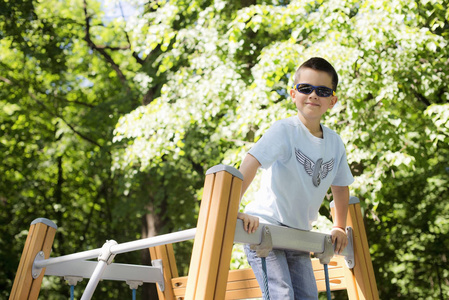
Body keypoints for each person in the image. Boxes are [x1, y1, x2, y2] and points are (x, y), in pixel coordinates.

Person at [237, 57, 354, 299]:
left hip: (298, 235)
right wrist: (232, 208)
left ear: (332, 101)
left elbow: (341, 187)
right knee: (282, 294)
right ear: (293, 94)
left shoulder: (334, 143)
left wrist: (339, 226)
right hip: (265, 228)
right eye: (305, 88)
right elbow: (250, 162)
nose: (313, 95)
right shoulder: (285, 131)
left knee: (309, 296)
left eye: (322, 91)